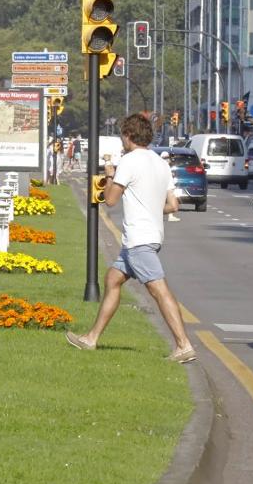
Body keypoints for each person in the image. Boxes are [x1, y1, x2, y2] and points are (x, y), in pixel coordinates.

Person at [66, 113, 195, 363]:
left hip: (139, 238)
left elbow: (110, 200)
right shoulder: (160, 163)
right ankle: (91, 338)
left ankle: (183, 344)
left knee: (159, 290)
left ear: (128, 136)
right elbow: (173, 205)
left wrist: (110, 174)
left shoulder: (130, 161)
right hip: (150, 235)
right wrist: (149, 206)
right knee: (113, 279)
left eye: (122, 137)